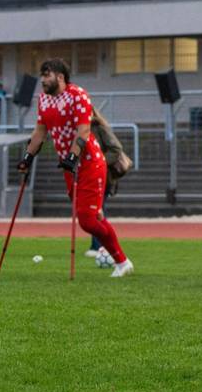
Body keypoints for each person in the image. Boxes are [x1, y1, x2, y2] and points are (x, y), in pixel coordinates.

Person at [18, 59, 133, 277]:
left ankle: (120, 260)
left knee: (87, 221)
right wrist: (26, 158)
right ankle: (122, 262)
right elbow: (39, 133)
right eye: (42, 76)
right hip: (69, 167)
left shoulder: (77, 95)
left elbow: (83, 132)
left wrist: (72, 157)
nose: (42, 80)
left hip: (89, 163)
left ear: (60, 77)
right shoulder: (43, 99)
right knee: (95, 217)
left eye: (47, 75)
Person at [87, 106, 133, 265]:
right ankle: (97, 245)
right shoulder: (80, 130)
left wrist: (99, 162)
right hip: (90, 176)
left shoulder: (99, 128)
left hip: (102, 176)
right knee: (93, 211)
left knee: (97, 210)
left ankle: (98, 245)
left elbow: (116, 148)